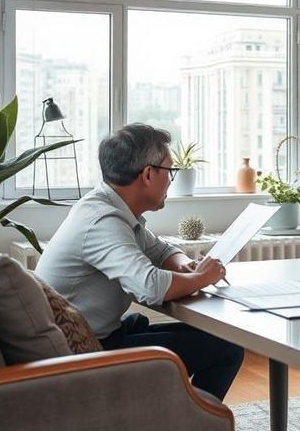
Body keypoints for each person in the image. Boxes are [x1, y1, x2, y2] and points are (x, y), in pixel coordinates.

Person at [36, 123, 244, 401]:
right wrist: (204, 277)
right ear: (148, 174)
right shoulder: (103, 221)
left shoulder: (107, 207)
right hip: (87, 358)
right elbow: (151, 286)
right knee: (227, 347)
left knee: (191, 333)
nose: (172, 180)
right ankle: (191, 428)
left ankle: (181, 417)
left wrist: (185, 264)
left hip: (102, 336)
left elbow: (159, 250)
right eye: (170, 171)